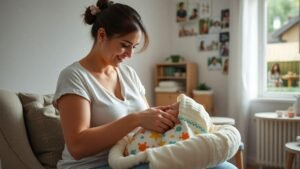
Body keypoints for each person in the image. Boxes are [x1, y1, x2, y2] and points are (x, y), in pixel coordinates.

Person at [54, 1, 236, 169]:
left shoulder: (128, 74)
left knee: (223, 166)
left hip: (132, 157)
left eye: (134, 47)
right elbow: (77, 146)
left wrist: (166, 116)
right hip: (92, 166)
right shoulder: (74, 77)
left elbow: (145, 124)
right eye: (125, 45)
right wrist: (136, 118)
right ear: (102, 35)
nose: (130, 54)